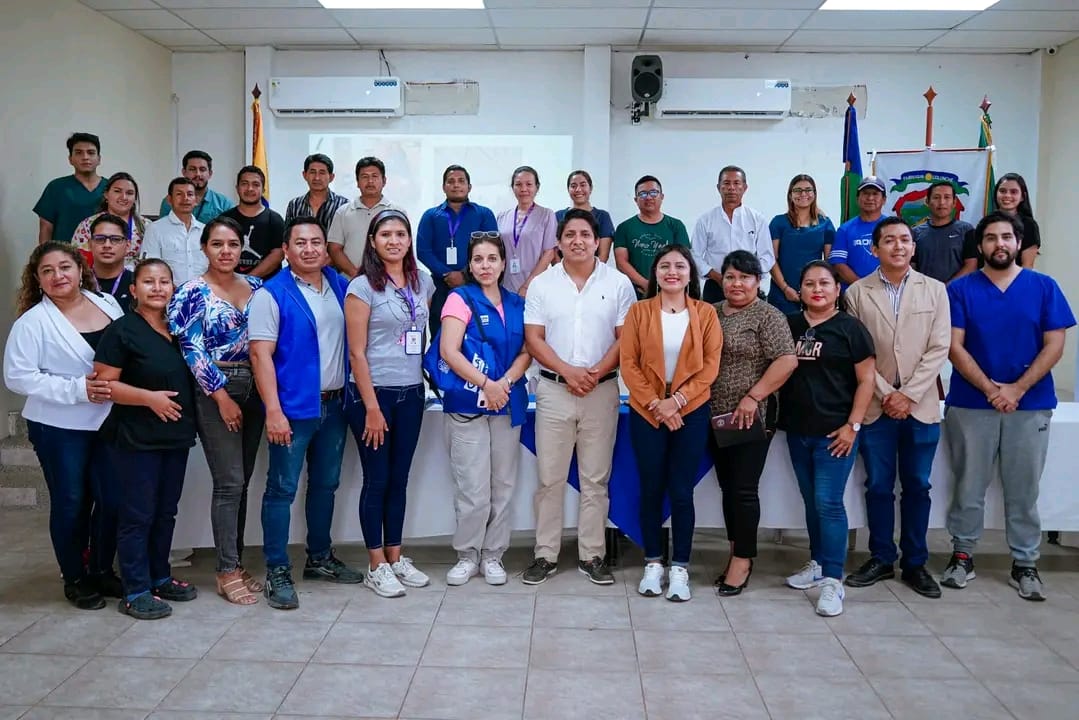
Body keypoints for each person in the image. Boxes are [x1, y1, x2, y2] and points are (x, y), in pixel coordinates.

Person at [941, 211, 1074, 602]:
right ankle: (962, 555)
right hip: (971, 404)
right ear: (980, 245)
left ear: (1018, 243)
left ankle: (1025, 562)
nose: (999, 244)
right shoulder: (961, 290)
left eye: (1006, 237)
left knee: (1024, 488)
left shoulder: (1044, 287)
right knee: (968, 485)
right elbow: (954, 346)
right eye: (990, 238)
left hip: (1029, 405)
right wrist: (990, 389)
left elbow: (1055, 345)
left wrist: (1016, 389)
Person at [249, 216, 363, 611]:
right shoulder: (271, 294)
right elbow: (260, 356)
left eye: (316, 241)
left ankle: (319, 557)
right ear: (286, 249)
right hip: (293, 409)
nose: (310, 249)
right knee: (281, 489)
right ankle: (277, 570)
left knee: (326, 484)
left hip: (335, 405)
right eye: (301, 243)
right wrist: (273, 410)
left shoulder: (340, 285)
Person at [3, 243, 125, 610]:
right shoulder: (32, 322)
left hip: (109, 420)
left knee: (111, 498)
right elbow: (17, 377)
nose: (58, 276)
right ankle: (75, 577)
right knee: (72, 501)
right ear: (37, 279)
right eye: (47, 271)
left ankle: (102, 569)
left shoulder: (107, 304)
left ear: (80, 270)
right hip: (58, 426)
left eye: (65, 267)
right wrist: (76, 389)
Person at [523, 208, 636, 585]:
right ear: (558, 242)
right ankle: (545, 554)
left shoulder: (618, 283)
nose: (577, 241)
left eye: (585, 234)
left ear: (596, 240)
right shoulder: (542, 284)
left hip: (601, 391)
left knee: (595, 480)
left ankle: (593, 555)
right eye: (569, 234)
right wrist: (569, 372)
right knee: (549, 479)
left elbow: (625, 338)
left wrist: (595, 373)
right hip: (554, 391)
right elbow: (534, 339)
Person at [845, 217, 951, 599]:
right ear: (875, 249)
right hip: (876, 405)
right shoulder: (857, 292)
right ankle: (881, 557)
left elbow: (939, 347)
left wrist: (909, 394)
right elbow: (857, 351)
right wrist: (889, 393)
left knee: (918, 486)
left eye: (905, 240)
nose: (898, 246)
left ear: (913, 247)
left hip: (920, 407)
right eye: (889, 240)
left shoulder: (935, 290)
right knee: (877, 485)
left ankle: (916, 563)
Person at [93, 259, 198, 620]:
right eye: (148, 282)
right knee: (137, 515)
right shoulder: (122, 331)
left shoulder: (179, 328)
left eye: (164, 282)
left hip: (176, 436)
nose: (157, 288)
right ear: (133, 290)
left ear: (173, 288)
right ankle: (135, 589)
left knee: (165, 512)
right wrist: (149, 398)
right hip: (136, 438)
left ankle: (159, 576)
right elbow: (104, 385)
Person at [168, 217, 266, 606]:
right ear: (204, 248)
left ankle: (235, 562)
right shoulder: (190, 291)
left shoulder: (257, 288)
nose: (226, 251)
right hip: (216, 387)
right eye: (217, 244)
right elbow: (191, 349)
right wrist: (221, 396)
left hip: (257, 387)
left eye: (233, 244)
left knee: (242, 482)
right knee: (229, 482)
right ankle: (225, 571)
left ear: (242, 248)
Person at [621, 244, 721, 602]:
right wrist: (656, 404)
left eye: (680, 266)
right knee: (650, 488)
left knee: (681, 490)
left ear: (691, 273)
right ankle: (653, 562)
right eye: (665, 266)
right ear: (655, 274)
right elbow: (628, 363)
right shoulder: (639, 311)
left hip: (690, 411)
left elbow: (710, 366)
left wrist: (676, 402)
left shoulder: (706, 313)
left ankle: (680, 567)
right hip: (646, 411)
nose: (672, 272)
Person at [345, 209, 435, 597]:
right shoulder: (361, 287)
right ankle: (376, 564)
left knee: (400, 479)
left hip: (411, 393)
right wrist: (371, 407)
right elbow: (356, 352)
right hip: (373, 395)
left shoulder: (423, 281)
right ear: (372, 241)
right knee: (377, 479)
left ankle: (396, 557)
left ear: (409, 240)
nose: (394, 241)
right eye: (385, 235)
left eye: (400, 234)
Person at [781, 260, 876, 617]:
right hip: (798, 431)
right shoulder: (789, 325)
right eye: (809, 284)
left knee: (829, 503)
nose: (817, 289)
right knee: (811, 501)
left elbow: (867, 380)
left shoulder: (851, 329)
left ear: (837, 290)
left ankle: (834, 580)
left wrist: (853, 426)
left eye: (824, 283)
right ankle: (818, 562)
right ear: (800, 290)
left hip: (835, 433)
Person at [437, 231, 531, 587]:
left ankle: (493, 555)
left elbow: (527, 351)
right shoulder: (459, 298)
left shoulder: (517, 303)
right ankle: (467, 555)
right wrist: (486, 384)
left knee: (502, 486)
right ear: (470, 265)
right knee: (472, 488)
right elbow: (449, 350)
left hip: (507, 402)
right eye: (478, 259)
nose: (485, 265)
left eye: (492, 258)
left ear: (504, 263)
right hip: (468, 404)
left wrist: (503, 384)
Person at [709, 251, 797, 596]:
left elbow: (787, 361)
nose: (737, 284)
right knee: (728, 487)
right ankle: (735, 550)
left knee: (744, 489)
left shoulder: (768, 315)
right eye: (730, 276)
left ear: (757, 282)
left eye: (745, 277)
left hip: (751, 415)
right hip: (714, 414)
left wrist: (753, 396)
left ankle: (743, 560)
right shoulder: (711, 312)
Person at [416, 165, 498, 336]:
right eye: (451, 181)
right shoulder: (431, 216)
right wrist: (447, 274)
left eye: (461, 181)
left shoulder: (483, 214)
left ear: (469, 186)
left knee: (476, 335)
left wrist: (465, 274)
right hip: (440, 286)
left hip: (476, 285)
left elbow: (491, 250)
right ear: (443, 187)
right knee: (440, 334)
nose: (456, 185)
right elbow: (423, 251)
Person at [691, 166, 773, 304]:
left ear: (745, 187)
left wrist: (746, 276)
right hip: (716, 285)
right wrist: (717, 276)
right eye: (726, 183)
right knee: (713, 318)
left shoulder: (757, 219)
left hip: (748, 286)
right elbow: (695, 255)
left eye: (736, 183)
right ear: (719, 187)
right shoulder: (705, 220)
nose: (731, 188)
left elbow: (767, 257)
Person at [767, 174, 836, 314]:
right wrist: (785, 288)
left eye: (808, 190)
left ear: (814, 194)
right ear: (790, 195)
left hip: (814, 294)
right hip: (782, 294)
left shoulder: (825, 224)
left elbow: (829, 263)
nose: (803, 194)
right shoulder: (778, 222)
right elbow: (770, 259)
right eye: (798, 190)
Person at [614, 175, 690, 297]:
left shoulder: (676, 226)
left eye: (653, 192)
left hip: (670, 292)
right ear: (636, 199)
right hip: (635, 292)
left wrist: (664, 285)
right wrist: (646, 284)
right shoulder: (624, 227)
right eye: (643, 194)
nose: (648, 197)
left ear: (662, 196)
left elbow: (684, 260)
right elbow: (621, 262)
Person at [328, 156, 401, 278]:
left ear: (384, 181)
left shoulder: (397, 212)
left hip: (388, 281)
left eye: (374, 176)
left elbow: (402, 247)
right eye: (365, 177)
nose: (370, 181)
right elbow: (334, 249)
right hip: (350, 281)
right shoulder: (343, 212)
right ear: (357, 182)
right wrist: (355, 274)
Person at [960, 173, 1041, 273]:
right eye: (1002, 191)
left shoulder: (1029, 225)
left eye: (1013, 192)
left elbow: (1027, 266)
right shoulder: (986, 222)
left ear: (1022, 197)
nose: (1007, 195)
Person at [35, 132, 106, 244]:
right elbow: (46, 228)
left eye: (91, 153)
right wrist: (45, 253)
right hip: (64, 252)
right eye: (79, 153)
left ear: (99, 159)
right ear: (70, 159)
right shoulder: (56, 187)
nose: (85, 157)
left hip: (103, 252)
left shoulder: (112, 188)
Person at [496, 166, 558, 295]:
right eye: (518, 184)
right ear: (512, 187)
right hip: (504, 286)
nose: (523, 189)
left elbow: (549, 253)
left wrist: (527, 286)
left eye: (529, 184)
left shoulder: (546, 215)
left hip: (534, 286)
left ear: (537, 187)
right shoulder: (502, 217)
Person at [219, 166, 285, 278]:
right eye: (244, 184)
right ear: (237, 188)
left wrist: (248, 279)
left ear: (263, 190)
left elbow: (278, 254)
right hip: (229, 283)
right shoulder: (224, 219)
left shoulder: (275, 219)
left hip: (267, 285)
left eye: (256, 184)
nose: (250, 189)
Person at [72, 172, 150, 266]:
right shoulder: (87, 225)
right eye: (117, 191)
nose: (123, 197)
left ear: (135, 198)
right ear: (106, 194)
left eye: (129, 193)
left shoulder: (147, 226)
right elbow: (78, 261)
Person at [141, 177, 207, 286]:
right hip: (168, 293)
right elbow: (150, 268)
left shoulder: (206, 230)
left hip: (204, 292)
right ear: (169, 200)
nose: (185, 198)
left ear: (196, 200)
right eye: (179, 194)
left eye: (190, 194)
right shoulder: (155, 229)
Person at [910, 180, 973, 283]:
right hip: (924, 290)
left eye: (947, 197)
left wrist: (945, 288)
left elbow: (971, 265)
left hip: (956, 291)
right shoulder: (915, 233)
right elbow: (912, 266)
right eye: (936, 197)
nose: (942, 202)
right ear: (927, 201)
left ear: (954, 202)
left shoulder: (966, 230)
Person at [829, 176, 886, 286]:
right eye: (865, 193)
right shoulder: (845, 230)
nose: (870, 198)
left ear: (884, 200)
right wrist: (863, 287)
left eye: (875, 194)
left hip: (887, 291)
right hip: (854, 292)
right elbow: (838, 264)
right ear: (857, 199)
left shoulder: (893, 227)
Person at [157, 150, 234, 223]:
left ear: (210, 173)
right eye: (192, 169)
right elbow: (163, 228)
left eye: (202, 169)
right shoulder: (170, 201)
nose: (198, 174)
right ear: (184, 172)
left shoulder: (224, 204)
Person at [556, 170, 615, 261]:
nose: (578, 189)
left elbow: (603, 255)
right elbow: (554, 252)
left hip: (594, 269)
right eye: (573, 186)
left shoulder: (602, 216)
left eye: (583, 185)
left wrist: (589, 270)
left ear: (590, 188)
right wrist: (562, 269)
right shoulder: (558, 216)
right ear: (568, 189)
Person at [284, 153, 350, 233]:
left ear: (331, 177)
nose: (317, 178)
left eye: (322, 173)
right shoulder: (295, 205)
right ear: (304, 175)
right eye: (312, 172)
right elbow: (288, 236)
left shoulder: (343, 205)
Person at [87, 214, 135, 313]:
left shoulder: (137, 284)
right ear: (90, 244)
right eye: (100, 239)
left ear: (128, 246)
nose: (107, 245)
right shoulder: (78, 283)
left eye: (116, 239)